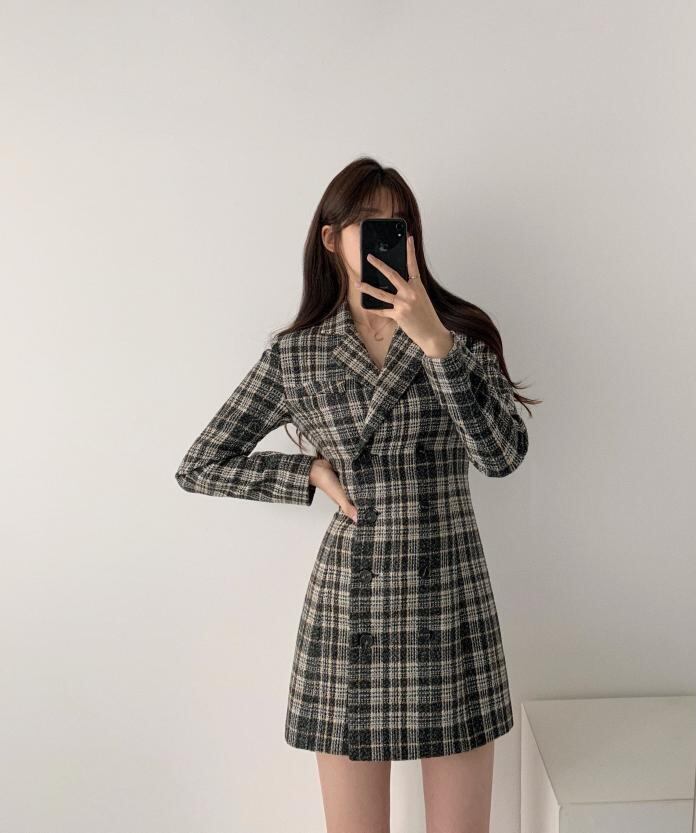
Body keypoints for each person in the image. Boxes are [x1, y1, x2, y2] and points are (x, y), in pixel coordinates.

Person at [175, 157, 538, 833]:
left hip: (447, 595)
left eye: (399, 224)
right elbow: (200, 464)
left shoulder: (458, 334)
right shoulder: (296, 356)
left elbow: (501, 457)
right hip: (351, 607)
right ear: (330, 237)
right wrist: (308, 471)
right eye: (369, 222)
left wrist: (437, 346)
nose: (387, 234)